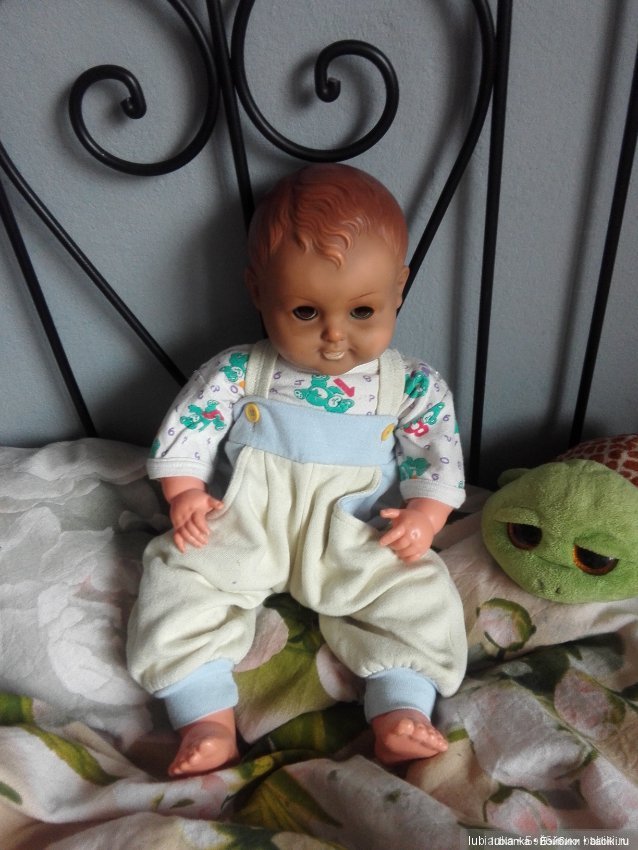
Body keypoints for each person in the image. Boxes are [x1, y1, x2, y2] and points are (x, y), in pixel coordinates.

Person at [127, 163, 467, 776]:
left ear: (398, 288)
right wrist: (184, 494)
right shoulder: (239, 372)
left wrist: (424, 516)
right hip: (249, 524)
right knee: (178, 578)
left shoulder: (411, 385)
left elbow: (436, 456)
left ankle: (399, 708)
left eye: (362, 312)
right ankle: (205, 717)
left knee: (416, 592)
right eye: (306, 312)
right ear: (258, 292)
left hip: (353, 532)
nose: (335, 336)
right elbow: (190, 429)